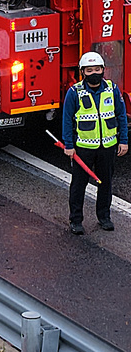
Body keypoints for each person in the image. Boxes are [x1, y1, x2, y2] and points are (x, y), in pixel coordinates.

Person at [62, 49, 128, 234]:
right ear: (82, 72)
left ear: (103, 70)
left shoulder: (112, 89)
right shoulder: (74, 92)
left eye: (97, 69)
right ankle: (75, 220)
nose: (94, 73)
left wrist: (123, 140)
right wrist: (69, 145)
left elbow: (121, 116)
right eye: (89, 70)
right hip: (83, 148)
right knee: (78, 186)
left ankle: (104, 217)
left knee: (105, 184)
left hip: (107, 146)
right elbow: (67, 120)